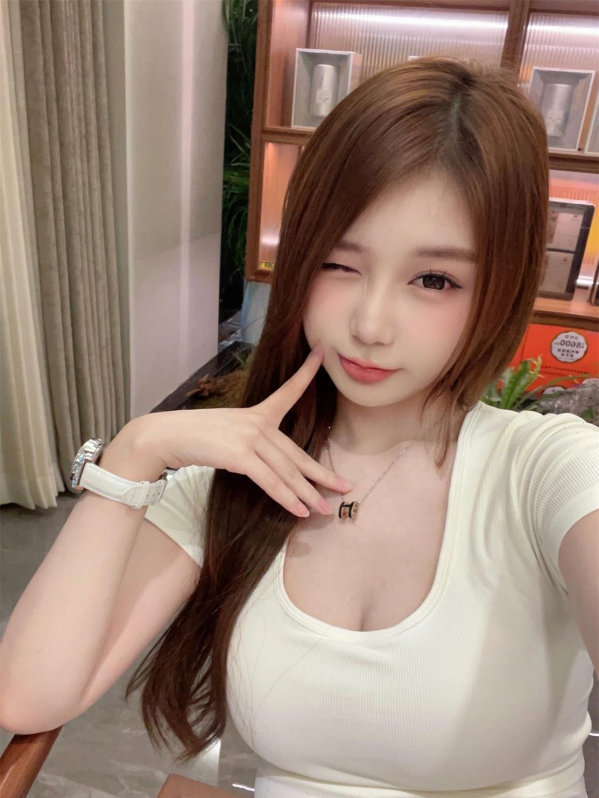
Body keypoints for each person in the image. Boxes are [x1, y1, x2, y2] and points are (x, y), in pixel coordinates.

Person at [1, 56, 598, 798]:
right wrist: (137, 448)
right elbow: (30, 696)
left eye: (433, 280)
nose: (370, 324)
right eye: (339, 264)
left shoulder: (547, 472)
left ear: (498, 289)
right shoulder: (235, 480)